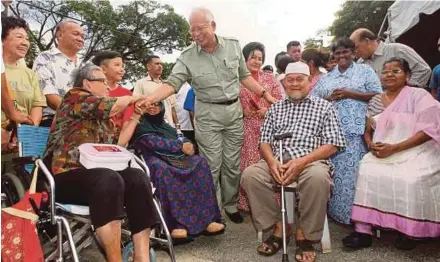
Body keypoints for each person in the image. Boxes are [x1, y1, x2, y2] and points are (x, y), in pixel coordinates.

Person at [137, 7, 277, 224]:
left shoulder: (233, 45)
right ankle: (213, 210)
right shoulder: (187, 57)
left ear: (213, 26)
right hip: (207, 114)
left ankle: (230, 205)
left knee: (231, 165)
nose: (195, 34)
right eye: (192, 30)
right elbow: (172, 83)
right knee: (211, 164)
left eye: (200, 28)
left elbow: (244, 76)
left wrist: (265, 93)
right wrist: (151, 98)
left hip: (233, 113)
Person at [43, 63, 157, 262]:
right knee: (108, 178)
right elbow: (111, 104)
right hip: (65, 176)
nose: (107, 86)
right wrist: (134, 98)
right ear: (87, 83)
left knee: (136, 177)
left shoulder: (104, 118)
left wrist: (137, 114)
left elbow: (119, 143)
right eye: (102, 81)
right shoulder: (73, 97)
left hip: (99, 179)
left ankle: (142, 256)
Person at [242, 62, 346, 261]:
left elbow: (333, 144)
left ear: (310, 81)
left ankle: (305, 234)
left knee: (317, 178)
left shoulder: (324, 107)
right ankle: (281, 226)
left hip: (311, 161)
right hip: (279, 160)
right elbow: (264, 142)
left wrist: (302, 161)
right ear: (284, 83)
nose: (295, 84)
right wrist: (272, 163)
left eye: (300, 79)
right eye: (290, 80)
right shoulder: (275, 108)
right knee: (250, 175)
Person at [343, 58, 440, 250]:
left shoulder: (418, 95)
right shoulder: (377, 99)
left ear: (407, 76)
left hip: (415, 150)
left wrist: (395, 148)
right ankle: (363, 231)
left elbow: (430, 130)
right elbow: (367, 128)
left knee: (410, 177)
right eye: (386, 71)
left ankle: (409, 231)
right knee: (366, 168)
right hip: (383, 151)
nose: (389, 75)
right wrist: (370, 145)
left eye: (396, 71)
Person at [312, 37, 382, 225]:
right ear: (334, 55)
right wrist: (328, 98)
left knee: (352, 175)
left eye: (345, 51)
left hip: (356, 131)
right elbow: (313, 101)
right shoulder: (327, 77)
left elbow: (379, 94)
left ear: (353, 52)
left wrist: (351, 94)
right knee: (333, 175)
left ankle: (355, 218)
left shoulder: (365, 71)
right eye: (338, 52)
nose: (342, 55)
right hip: (329, 134)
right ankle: (337, 215)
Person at [130, 102, 225, 240]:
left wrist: (188, 144)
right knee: (162, 170)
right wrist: (180, 146)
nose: (153, 107)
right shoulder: (140, 126)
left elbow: (180, 136)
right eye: (148, 105)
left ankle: (207, 220)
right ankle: (176, 225)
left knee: (200, 163)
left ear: (162, 108)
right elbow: (152, 142)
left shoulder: (166, 126)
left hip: (176, 157)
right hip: (154, 158)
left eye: (157, 104)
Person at [238, 42, 282, 212]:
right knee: (247, 164)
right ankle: (247, 204)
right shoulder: (237, 79)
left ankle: (271, 203)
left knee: (268, 164)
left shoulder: (270, 79)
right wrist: (243, 111)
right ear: (245, 59)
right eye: (253, 58)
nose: (256, 61)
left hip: (267, 127)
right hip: (246, 127)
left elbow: (279, 102)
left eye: (260, 58)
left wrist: (267, 110)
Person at [33, 20, 84, 127]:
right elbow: (49, 96)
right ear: (60, 35)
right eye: (76, 34)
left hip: (82, 123)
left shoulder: (85, 65)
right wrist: (77, 114)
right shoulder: (46, 58)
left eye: (83, 36)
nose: (80, 39)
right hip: (53, 121)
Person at [1, 16, 46, 126]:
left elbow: (37, 106)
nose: (25, 43)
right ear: (2, 40)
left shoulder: (30, 75)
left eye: (27, 39)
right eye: (19, 37)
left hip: (20, 139)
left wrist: (26, 135)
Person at [350, 28, 431, 88]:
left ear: (367, 41)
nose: (355, 52)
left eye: (356, 47)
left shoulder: (397, 50)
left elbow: (423, 70)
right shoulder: (360, 63)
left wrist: (405, 91)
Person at [91, 51, 138, 146]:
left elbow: (126, 125)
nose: (122, 70)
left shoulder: (127, 94)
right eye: (117, 65)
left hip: (115, 145)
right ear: (103, 69)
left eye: (123, 66)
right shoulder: (89, 92)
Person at [133, 55, 178, 127]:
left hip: (169, 127)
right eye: (157, 64)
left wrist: (177, 125)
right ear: (148, 66)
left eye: (161, 64)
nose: (160, 66)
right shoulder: (141, 84)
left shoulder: (168, 85)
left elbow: (172, 108)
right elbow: (136, 106)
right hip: (151, 128)